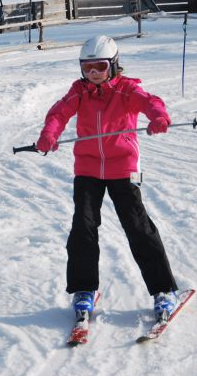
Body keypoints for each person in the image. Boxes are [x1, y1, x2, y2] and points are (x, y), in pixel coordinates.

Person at [36, 35, 179, 322]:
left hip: (122, 167)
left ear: (113, 66)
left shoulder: (126, 90)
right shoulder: (79, 91)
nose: (92, 75)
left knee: (137, 226)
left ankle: (163, 290)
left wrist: (159, 117)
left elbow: (151, 102)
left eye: (99, 67)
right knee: (83, 227)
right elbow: (59, 113)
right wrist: (49, 134)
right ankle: (84, 289)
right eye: (87, 68)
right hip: (87, 168)